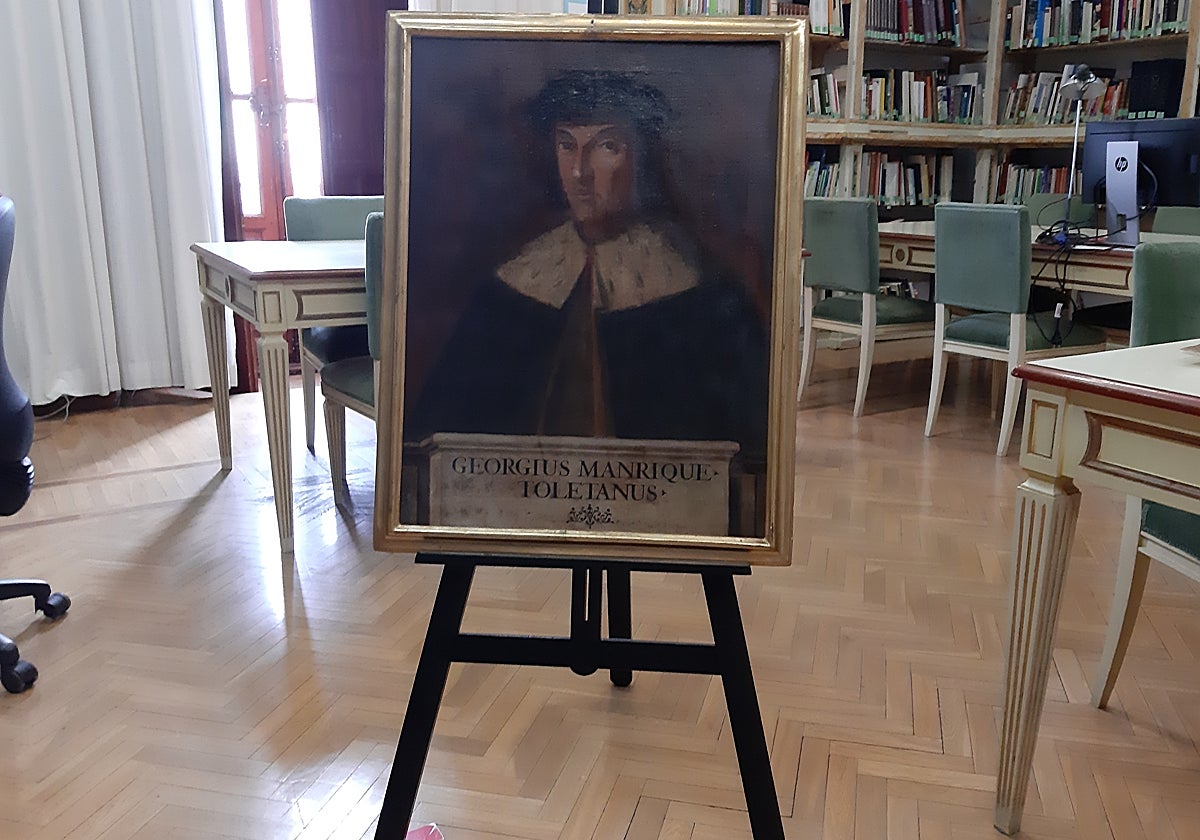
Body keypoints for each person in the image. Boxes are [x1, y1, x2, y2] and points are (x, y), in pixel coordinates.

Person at [407, 70, 769, 477]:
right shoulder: (509, 287)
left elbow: (741, 453)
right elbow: (439, 438)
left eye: (606, 147)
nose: (579, 172)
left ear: (642, 157)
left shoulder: (703, 297)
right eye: (566, 145)